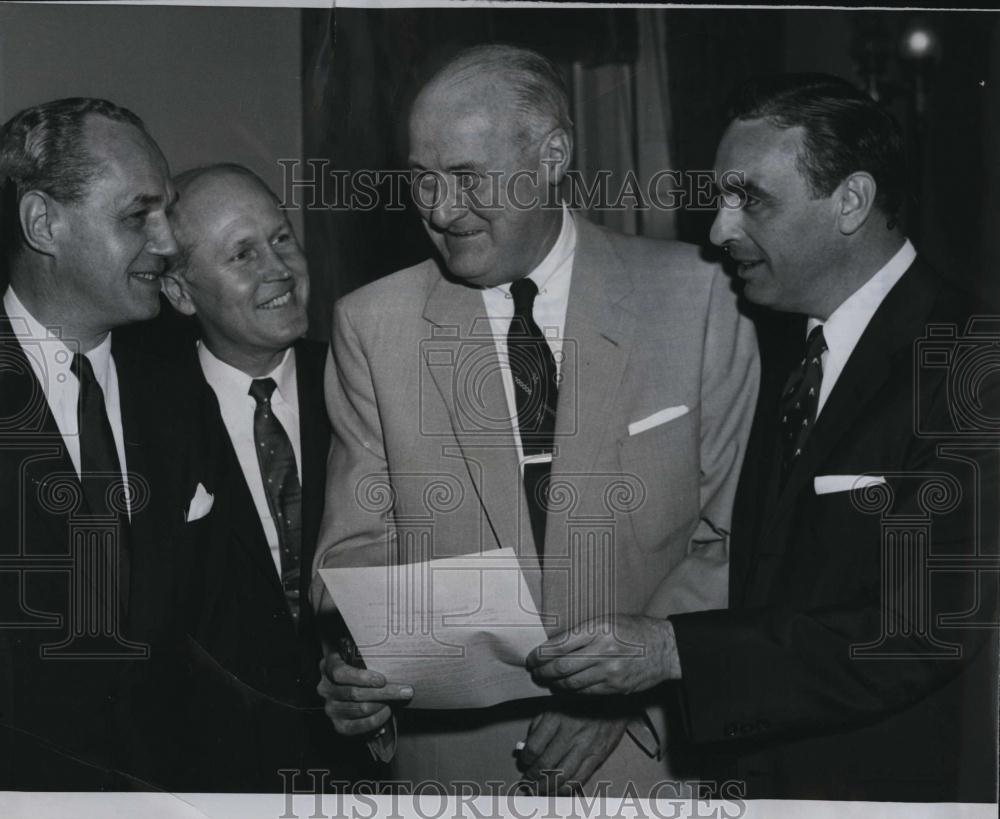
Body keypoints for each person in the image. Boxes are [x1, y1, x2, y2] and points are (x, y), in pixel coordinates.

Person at [528, 73, 999, 802]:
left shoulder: (971, 360)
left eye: (750, 198)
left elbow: (922, 628)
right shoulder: (781, 345)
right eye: (721, 197)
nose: (719, 230)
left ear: (851, 202)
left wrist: (670, 649)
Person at [312, 44, 759, 795]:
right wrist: (361, 663)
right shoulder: (371, 324)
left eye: (466, 177)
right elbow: (355, 555)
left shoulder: (700, 298)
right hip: (458, 774)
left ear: (553, 154)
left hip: (655, 766)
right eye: (421, 179)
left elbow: (738, 540)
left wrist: (633, 683)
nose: (441, 210)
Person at [0, 97, 217, 789]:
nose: (168, 240)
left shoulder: (182, 384)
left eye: (168, 211)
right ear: (43, 224)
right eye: (136, 216)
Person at [160, 163, 359, 790]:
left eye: (281, 238)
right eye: (242, 254)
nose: (279, 269)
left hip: (369, 772)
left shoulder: (364, 385)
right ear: (182, 294)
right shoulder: (145, 418)